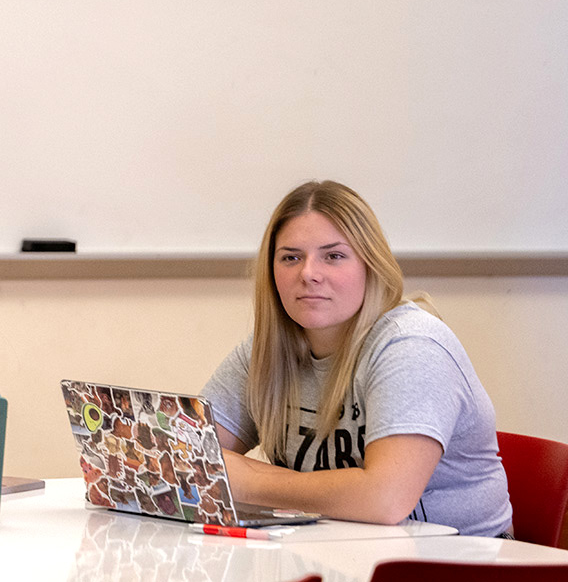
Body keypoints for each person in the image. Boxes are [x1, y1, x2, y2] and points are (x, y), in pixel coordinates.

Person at [200, 180, 511, 537]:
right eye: (290, 257)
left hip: (461, 565)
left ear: (370, 264)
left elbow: (385, 499)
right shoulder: (268, 350)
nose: (308, 273)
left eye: (333, 256)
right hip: (337, 551)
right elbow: (183, 458)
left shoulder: (412, 346)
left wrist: (249, 479)